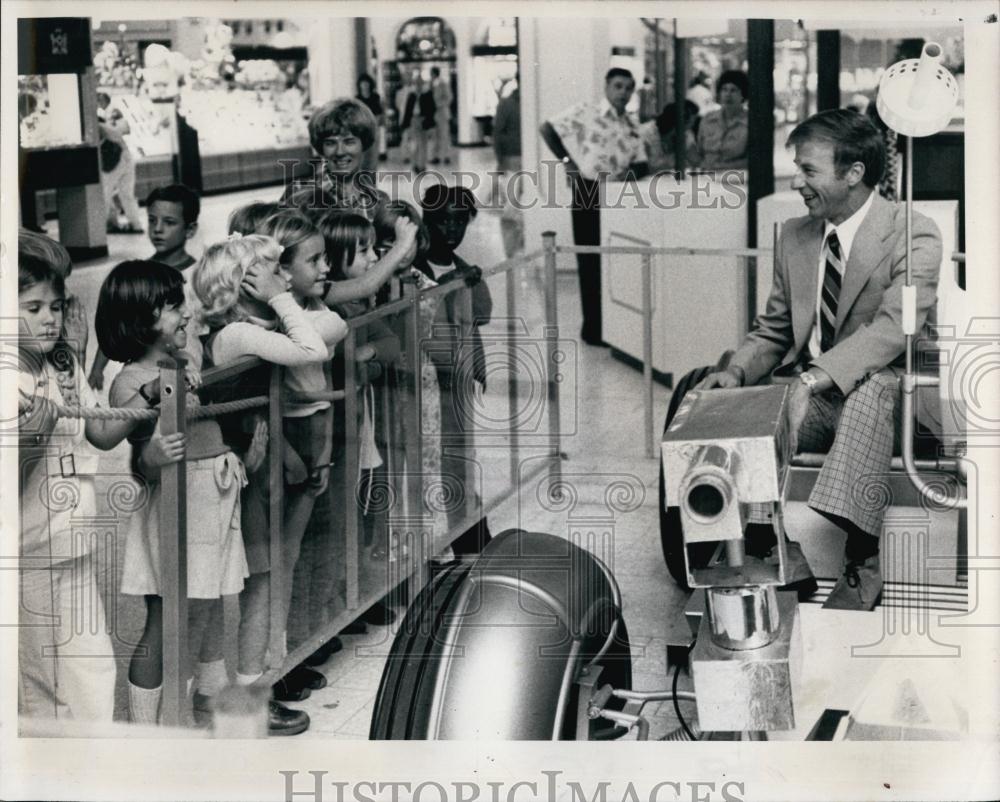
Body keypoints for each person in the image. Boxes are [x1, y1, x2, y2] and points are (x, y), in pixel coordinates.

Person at [695, 108, 943, 611]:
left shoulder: (913, 232)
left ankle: (861, 558)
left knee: (871, 391)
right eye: (798, 168)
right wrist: (736, 372)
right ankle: (780, 553)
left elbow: (895, 329)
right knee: (744, 412)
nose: (798, 181)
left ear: (854, 173)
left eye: (809, 170)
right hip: (815, 397)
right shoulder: (795, 236)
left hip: (890, 398)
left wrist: (810, 382)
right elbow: (775, 329)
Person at [97, 260, 250, 726]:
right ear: (141, 320)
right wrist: (150, 397)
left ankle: (202, 695)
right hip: (174, 505)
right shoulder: (131, 379)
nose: (185, 314)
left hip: (210, 497)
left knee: (210, 602)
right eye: (172, 307)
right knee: (163, 619)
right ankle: (148, 725)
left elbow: (211, 320)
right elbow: (135, 452)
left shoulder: (184, 358)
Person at [193, 233, 330, 735]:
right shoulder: (236, 335)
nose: (285, 277)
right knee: (255, 587)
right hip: (234, 475)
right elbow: (310, 347)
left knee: (251, 584)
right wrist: (279, 297)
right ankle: (249, 698)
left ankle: (224, 693)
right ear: (245, 281)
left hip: (248, 467)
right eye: (272, 270)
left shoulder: (248, 327)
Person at [17, 247, 152, 723]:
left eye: (54, 306)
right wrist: (34, 429)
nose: (49, 319)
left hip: (73, 541)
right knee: (42, 682)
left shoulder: (60, 362)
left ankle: (99, 765)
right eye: (31, 308)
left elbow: (99, 431)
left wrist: (145, 392)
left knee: (93, 669)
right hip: (27, 553)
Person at [540, 68, 649, 346]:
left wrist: (632, 174)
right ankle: (592, 330)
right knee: (589, 260)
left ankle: (612, 328)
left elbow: (641, 161)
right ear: (606, 86)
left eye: (628, 88)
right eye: (618, 86)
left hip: (617, 196)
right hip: (587, 189)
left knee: (613, 259)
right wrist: (569, 166)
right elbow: (547, 129)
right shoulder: (587, 112)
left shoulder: (632, 125)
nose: (623, 93)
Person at [417, 184, 494, 558]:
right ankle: (454, 537)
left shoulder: (463, 267)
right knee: (438, 458)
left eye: (459, 221)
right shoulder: (415, 267)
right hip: (427, 380)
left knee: (459, 455)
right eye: (442, 220)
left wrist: (479, 366)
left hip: (457, 380)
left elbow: (481, 315)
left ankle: (469, 533)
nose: (450, 229)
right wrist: (448, 288)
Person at [88, 183, 203, 391]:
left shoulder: (199, 276)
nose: (158, 229)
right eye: (152, 220)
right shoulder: (140, 278)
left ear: (190, 229)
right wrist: (97, 369)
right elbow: (121, 319)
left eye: (169, 222)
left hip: (189, 371)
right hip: (146, 373)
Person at [97, 92, 144, 234]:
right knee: (126, 193)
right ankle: (135, 224)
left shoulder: (111, 112)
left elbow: (120, 130)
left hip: (114, 158)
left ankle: (106, 224)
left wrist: (100, 126)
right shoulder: (108, 113)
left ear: (102, 99)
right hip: (123, 155)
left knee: (106, 191)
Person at [696, 70, 750, 171]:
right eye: (724, 90)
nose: (728, 95)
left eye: (733, 90)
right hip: (706, 178)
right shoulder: (707, 120)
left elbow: (753, 160)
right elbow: (699, 153)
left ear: (743, 95)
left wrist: (720, 167)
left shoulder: (750, 123)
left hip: (737, 179)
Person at [640, 100, 701, 173]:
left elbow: (696, 162)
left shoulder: (687, 135)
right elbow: (644, 166)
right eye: (691, 123)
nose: (692, 126)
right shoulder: (645, 133)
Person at [356, 73, 387, 162]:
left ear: (370, 84)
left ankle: (372, 173)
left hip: (374, 128)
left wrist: (375, 124)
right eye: (363, 84)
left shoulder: (375, 97)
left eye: (366, 84)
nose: (365, 86)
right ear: (359, 85)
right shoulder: (357, 99)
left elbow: (379, 113)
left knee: (373, 153)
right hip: (362, 130)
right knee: (363, 153)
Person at [430, 66, 453, 165]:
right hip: (433, 114)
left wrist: (439, 104)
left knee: (444, 135)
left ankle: (446, 156)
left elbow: (449, 97)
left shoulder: (443, 84)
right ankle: (436, 156)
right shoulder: (431, 84)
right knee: (435, 136)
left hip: (442, 113)